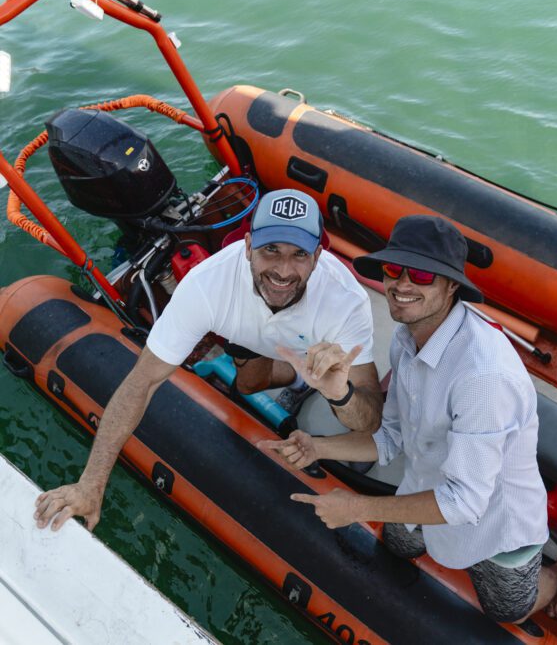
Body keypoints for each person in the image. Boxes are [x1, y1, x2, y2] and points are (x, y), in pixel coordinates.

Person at [260, 215, 557, 624]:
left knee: (509, 608)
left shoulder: (483, 377)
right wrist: (317, 446)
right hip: (428, 484)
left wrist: (356, 507)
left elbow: (464, 501)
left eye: (422, 274)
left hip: (494, 518)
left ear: (451, 285)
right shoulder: (409, 340)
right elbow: (391, 436)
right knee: (398, 545)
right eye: (395, 270)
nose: (403, 285)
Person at [34, 188, 382, 532]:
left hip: (314, 345)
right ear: (247, 247)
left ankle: (313, 379)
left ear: (318, 256)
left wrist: (340, 394)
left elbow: (369, 420)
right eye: (270, 250)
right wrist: (90, 484)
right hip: (253, 339)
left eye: (299, 255)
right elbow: (142, 381)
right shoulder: (207, 286)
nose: (282, 269)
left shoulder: (345, 300)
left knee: (340, 403)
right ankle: (297, 379)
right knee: (247, 384)